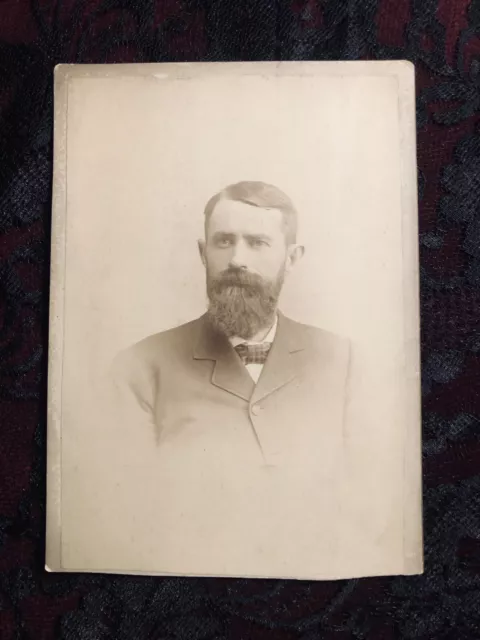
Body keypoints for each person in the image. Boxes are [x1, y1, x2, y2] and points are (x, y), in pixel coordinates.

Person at [109, 181, 351, 575]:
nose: (237, 259)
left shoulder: (345, 363)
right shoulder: (139, 367)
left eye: (257, 243)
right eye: (223, 242)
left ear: (292, 258)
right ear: (204, 253)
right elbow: (123, 514)